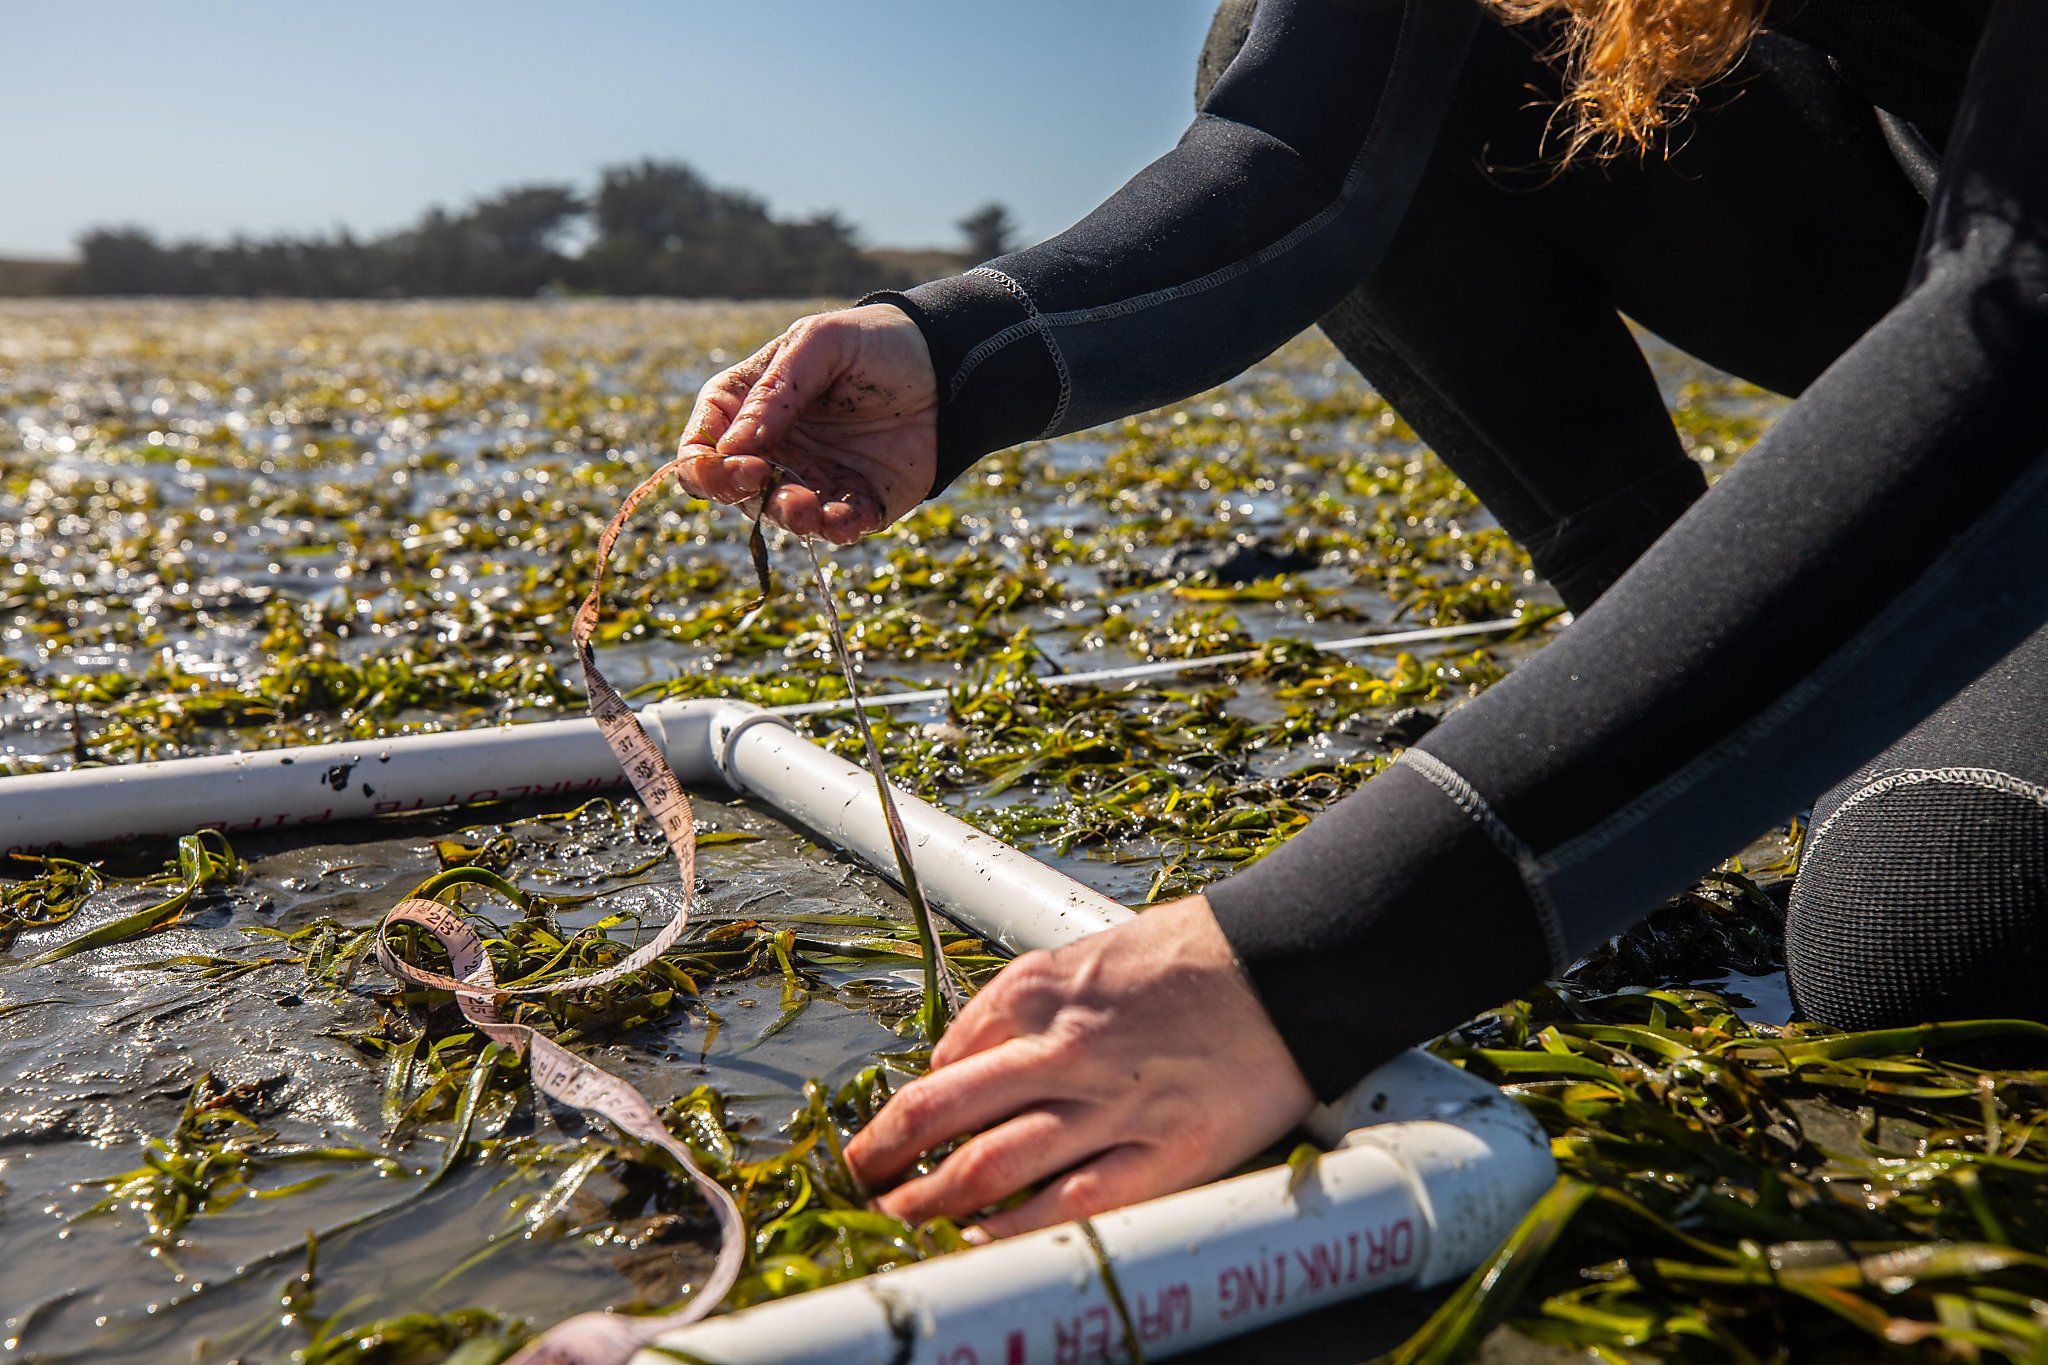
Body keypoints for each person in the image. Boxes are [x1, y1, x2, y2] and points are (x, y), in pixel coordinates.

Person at [675, 0, 2047, 1240]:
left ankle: (1773, 699)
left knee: (1934, 928)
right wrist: (956, 356)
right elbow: (1299, 145)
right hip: (1919, 228)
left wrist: (1305, 960)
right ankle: (1696, 676)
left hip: (2014, 305)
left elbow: (2016, 325)